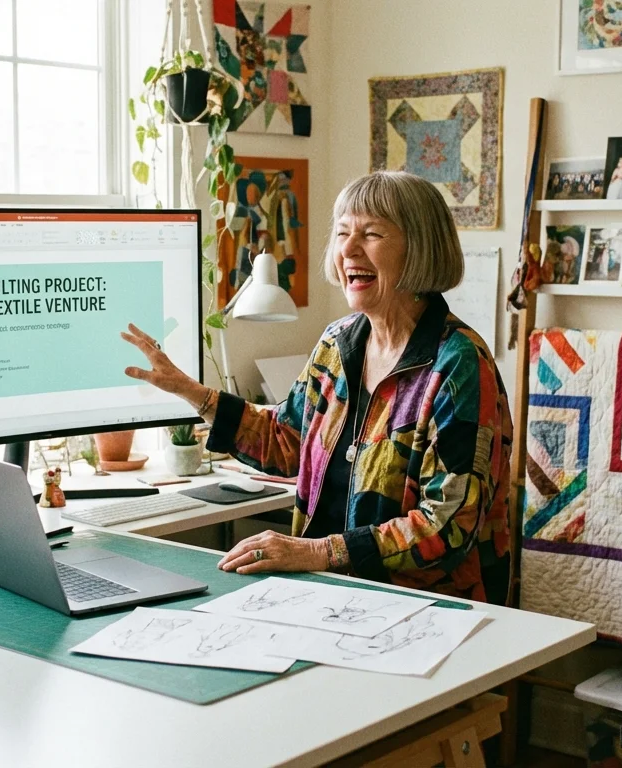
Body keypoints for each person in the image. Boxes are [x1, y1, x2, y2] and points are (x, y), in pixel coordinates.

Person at [120, 171, 513, 603]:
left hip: (425, 609)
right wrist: (191, 391)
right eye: (343, 233)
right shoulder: (337, 343)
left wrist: (316, 552)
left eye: (371, 234)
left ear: (419, 247)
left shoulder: (459, 364)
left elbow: (448, 523)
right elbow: (285, 439)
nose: (348, 249)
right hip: (328, 597)